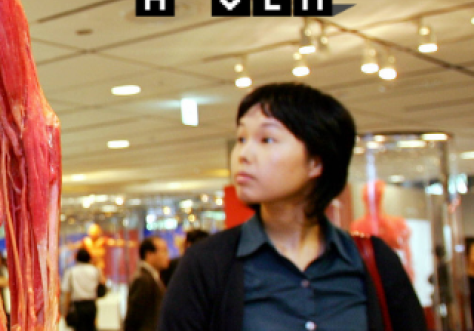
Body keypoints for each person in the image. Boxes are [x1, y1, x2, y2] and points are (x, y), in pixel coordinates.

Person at [160, 82, 427, 331]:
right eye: (241, 139)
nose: (243, 154)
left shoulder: (374, 260)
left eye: (266, 140)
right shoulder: (207, 263)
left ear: (315, 162)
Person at [351, 179, 414, 281]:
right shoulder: (358, 225)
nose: (373, 200)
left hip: (392, 272)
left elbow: (406, 250)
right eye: (369, 197)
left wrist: (409, 269)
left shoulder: (396, 223)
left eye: (377, 196)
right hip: (369, 274)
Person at [124, 236, 168, 331]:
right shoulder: (143, 279)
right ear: (149, 254)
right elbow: (133, 317)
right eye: (164, 251)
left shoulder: (153, 277)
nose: (167, 255)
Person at [63, 248, 105, 331]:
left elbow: (67, 292)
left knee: (78, 328)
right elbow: (102, 284)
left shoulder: (71, 272)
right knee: (91, 327)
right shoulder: (94, 270)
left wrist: (65, 309)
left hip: (77, 306)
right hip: (91, 305)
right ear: (89, 258)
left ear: (77, 258)